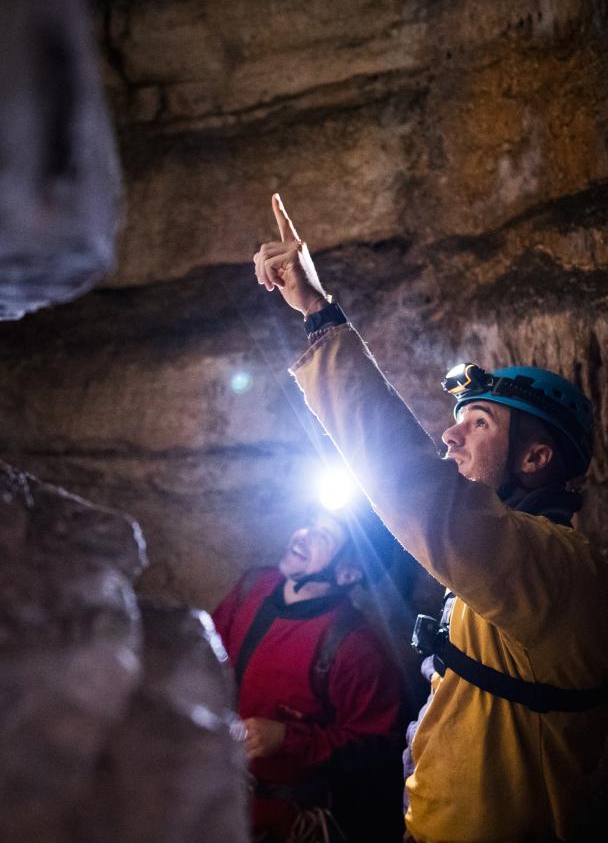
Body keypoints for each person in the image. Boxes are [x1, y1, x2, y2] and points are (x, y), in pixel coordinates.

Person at [250, 194, 608, 842]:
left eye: (479, 422)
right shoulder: (507, 567)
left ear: (536, 457)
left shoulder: (553, 566)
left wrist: (319, 315)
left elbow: (415, 485)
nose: (451, 436)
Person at [212, 504, 407, 842]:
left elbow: (377, 747)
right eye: (309, 525)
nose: (303, 536)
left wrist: (288, 738)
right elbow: (205, 656)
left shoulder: (355, 651)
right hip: (218, 797)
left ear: (347, 574)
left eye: (324, 537)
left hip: (286, 821)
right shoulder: (253, 587)